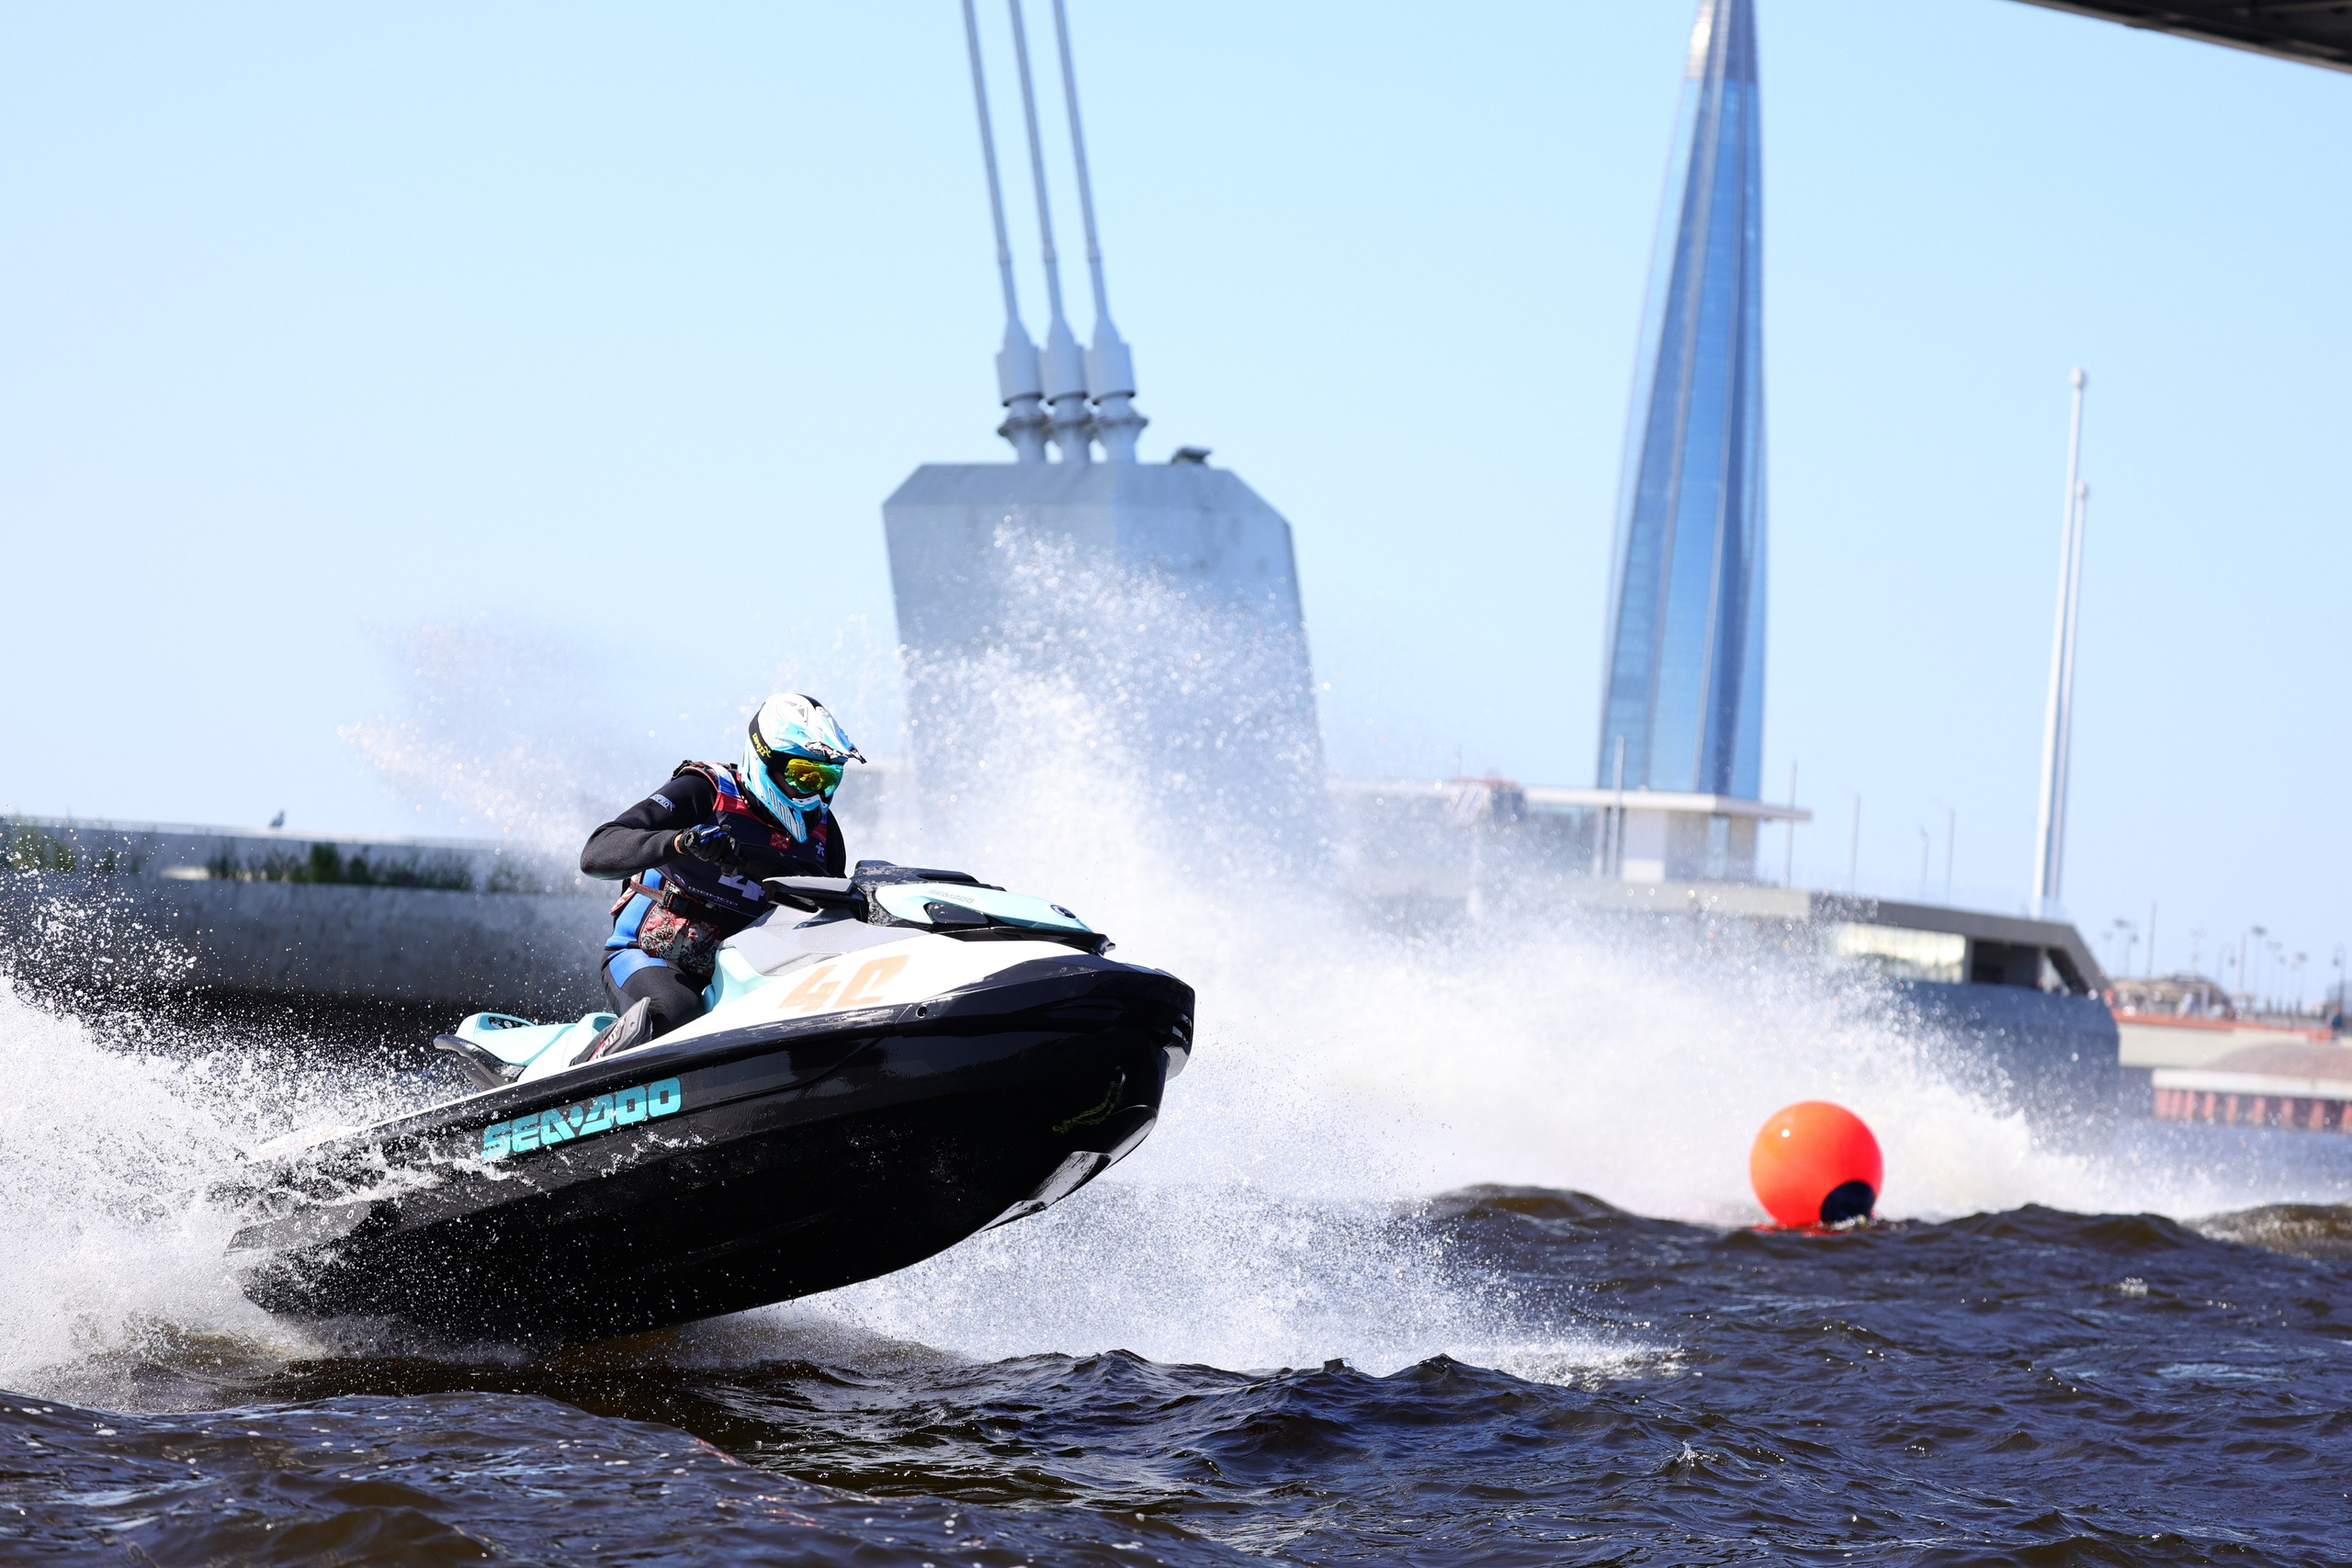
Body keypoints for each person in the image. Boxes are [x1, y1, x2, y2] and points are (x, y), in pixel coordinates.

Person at [579, 693, 863, 1055]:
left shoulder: (824, 834)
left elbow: (834, 921)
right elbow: (596, 852)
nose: (818, 792)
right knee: (677, 1016)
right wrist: (681, 842)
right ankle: (580, 1070)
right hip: (647, 956)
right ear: (765, 759)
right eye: (804, 776)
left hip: (749, 972)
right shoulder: (705, 791)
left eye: (828, 777)